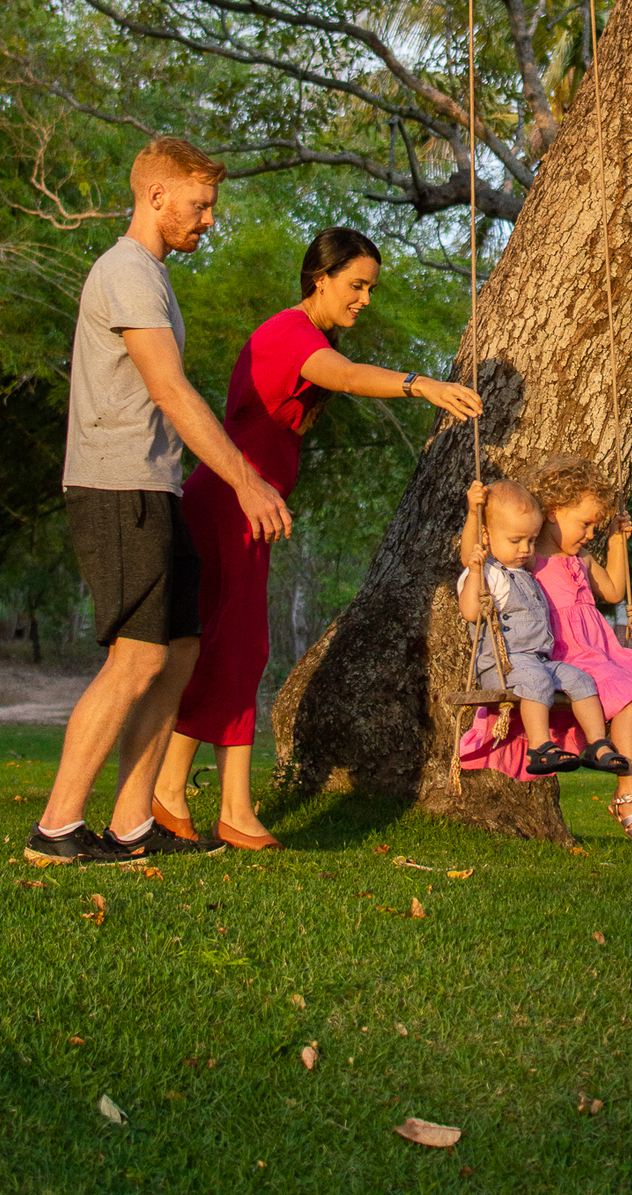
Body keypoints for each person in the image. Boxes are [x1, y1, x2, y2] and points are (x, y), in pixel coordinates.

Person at [154, 227, 483, 849]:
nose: (364, 299)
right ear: (319, 279)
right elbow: (350, 376)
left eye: (370, 289)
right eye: (355, 285)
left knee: (232, 647)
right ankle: (220, 806)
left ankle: (179, 796)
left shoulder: (301, 335)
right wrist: (424, 386)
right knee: (242, 646)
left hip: (242, 505)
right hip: (231, 502)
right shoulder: (288, 332)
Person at [26, 138, 292, 868]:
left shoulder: (152, 277)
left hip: (153, 486)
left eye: (211, 206)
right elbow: (169, 390)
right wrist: (245, 478)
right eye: (199, 205)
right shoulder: (127, 274)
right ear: (156, 197)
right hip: (116, 488)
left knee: (177, 650)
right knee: (137, 656)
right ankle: (54, 829)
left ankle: (133, 821)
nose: (208, 220)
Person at [461, 454, 632, 848]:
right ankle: (628, 796)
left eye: (594, 527)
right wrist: (473, 515)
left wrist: (617, 540)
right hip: (570, 653)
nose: (589, 534)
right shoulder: (528, 560)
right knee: (630, 698)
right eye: (584, 524)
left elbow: (615, 592)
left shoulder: (581, 559)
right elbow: (474, 560)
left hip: (605, 650)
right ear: (552, 512)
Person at [458, 479, 630, 777]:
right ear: (486, 538)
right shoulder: (486, 574)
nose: (525, 549)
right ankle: (540, 748)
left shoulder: (523, 570)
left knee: (581, 680)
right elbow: (471, 611)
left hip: (539, 659)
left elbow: (612, 589)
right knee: (537, 682)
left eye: (531, 540)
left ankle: (598, 745)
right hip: (504, 664)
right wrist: (474, 516)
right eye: (516, 541)